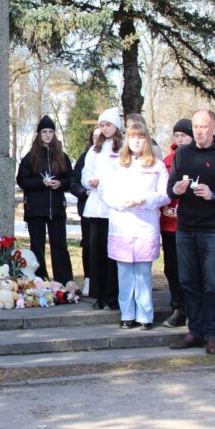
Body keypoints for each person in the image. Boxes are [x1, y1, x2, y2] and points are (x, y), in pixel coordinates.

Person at [167, 109, 215, 355]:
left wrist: (214, 195)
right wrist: (177, 190)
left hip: (213, 229)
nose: (199, 131)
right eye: (196, 127)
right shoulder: (182, 154)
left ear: (214, 127)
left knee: (212, 285)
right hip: (186, 228)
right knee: (188, 282)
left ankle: (212, 334)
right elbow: (170, 188)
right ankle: (195, 331)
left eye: (203, 127)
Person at [100, 123, 170, 330]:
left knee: (142, 273)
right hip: (122, 226)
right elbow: (105, 192)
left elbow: (165, 195)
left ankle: (145, 315)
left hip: (145, 226)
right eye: (132, 138)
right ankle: (127, 314)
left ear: (146, 140)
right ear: (127, 141)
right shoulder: (116, 165)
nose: (137, 142)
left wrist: (146, 200)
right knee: (124, 273)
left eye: (140, 138)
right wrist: (123, 202)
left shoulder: (156, 166)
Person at [17, 115, 73, 282]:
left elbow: (70, 179)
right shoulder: (30, 157)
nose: (48, 135)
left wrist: (60, 184)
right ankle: (39, 281)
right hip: (35, 209)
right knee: (37, 247)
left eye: (50, 132)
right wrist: (41, 183)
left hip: (56, 209)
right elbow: (22, 180)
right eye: (44, 132)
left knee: (60, 246)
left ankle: (64, 281)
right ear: (39, 134)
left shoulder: (62, 156)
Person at [80, 107, 123, 310]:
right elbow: (86, 171)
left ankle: (112, 295)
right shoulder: (94, 149)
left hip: (114, 207)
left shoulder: (122, 148)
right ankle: (99, 295)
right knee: (96, 252)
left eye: (108, 125)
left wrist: (105, 183)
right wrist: (90, 181)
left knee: (112, 254)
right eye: (102, 125)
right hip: (97, 207)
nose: (105, 129)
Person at [160, 119, 193, 328]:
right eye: (177, 136)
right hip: (169, 225)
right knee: (172, 268)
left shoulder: (197, 158)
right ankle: (178, 307)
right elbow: (162, 189)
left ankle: (192, 308)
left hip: (191, 223)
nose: (180, 139)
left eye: (184, 136)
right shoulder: (167, 161)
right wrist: (166, 205)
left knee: (190, 269)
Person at [70, 127, 101, 296]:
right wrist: (84, 192)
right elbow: (73, 182)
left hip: (106, 210)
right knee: (88, 245)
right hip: (88, 209)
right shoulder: (85, 157)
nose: (97, 139)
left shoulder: (112, 155)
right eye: (94, 136)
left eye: (100, 136)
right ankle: (89, 279)